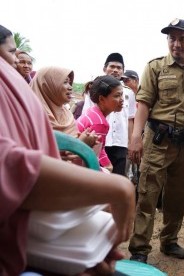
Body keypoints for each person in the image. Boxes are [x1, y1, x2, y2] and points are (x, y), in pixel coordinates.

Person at [0, 49, 135, 276]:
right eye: (12, 53)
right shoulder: (20, 94)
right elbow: (16, 161)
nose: (17, 62)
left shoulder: (63, 112)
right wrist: (116, 188)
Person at [128, 18, 184, 263]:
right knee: (147, 194)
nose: (176, 44)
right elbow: (143, 103)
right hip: (158, 141)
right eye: (172, 38)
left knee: (179, 194)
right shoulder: (155, 67)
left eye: (182, 38)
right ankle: (140, 249)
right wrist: (136, 137)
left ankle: (169, 241)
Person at [31, 67, 99, 156]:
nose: (70, 87)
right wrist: (80, 144)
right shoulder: (32, 115)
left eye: (69, 83)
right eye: (65, 82)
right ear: (47, 86)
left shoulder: (67, 115)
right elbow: (35, 155)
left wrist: (86, 141)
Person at [76, 75, 124, 171]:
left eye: (121, 95)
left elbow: (99, 148)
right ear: (101, 99)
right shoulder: (99, 123)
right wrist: (107, 169)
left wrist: (108, 165)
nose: (122, 99)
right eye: (117, 96)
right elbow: (92, 157)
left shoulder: (93, 112)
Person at [101, 53, 137, 176]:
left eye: (119, 68)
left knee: (118, 179)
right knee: (98, 180)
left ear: (123, 71)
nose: (115, 70)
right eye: (112, 66)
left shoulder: (129, 94)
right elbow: (87, 116)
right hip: (100, 143)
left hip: (121, 144)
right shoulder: (93, 90)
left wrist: (131, 142)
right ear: (104, 69)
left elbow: (130, 120)